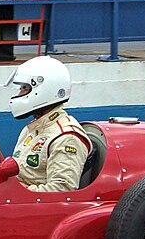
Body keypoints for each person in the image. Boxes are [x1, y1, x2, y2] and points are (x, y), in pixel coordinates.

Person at [7, 56, 91, 192]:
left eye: (24, 88)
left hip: (33, 208)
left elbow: (62, 190)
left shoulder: (66, 137)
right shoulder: (33, 128)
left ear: (42, 90)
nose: (19, 93)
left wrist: (18, 192)